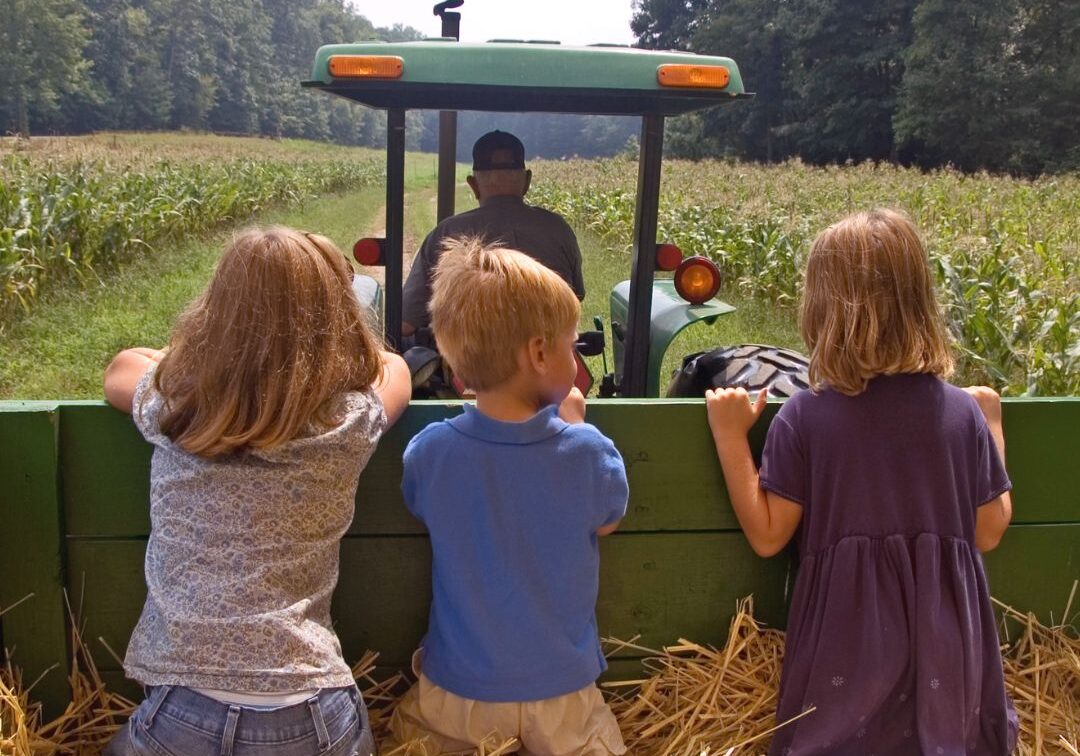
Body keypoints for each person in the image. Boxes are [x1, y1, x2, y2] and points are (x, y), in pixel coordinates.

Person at [705, 209, 1017, 755]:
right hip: (944, 656)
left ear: (822, 312)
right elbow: (989, 530)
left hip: (845, 652)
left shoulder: (805, 416)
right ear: (921, 305)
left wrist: (731, 437)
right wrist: (991, 423)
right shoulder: (958, 416)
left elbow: (768, 534)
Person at [101, 227, 411, 756]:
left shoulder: (178, 405)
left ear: (215, 313)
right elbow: (394, 369)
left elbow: (121, 367)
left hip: (184, 709)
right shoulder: (348, 421)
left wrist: (211, 360)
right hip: (317, 712)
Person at [388, 238, 627, 755]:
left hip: (459, 690)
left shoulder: (430, 453)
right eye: (569, 345)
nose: (574, 355)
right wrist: (576, 423)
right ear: (540, 354)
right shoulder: (587, 452)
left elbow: (421, 502)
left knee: (411, 737)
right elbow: (607, 520)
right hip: (561, 691)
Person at [401, 130, 584, 336]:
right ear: (527, 182)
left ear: (474, 185)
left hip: (469, 363)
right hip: (548, 359)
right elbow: (576, 296)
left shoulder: (445, 233)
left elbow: (407, 322)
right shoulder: (558, 229)